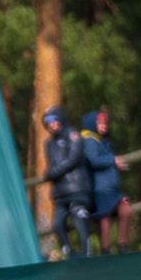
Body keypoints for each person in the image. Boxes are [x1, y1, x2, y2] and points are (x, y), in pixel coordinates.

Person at [42, 106, 93, 259]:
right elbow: (52, 165)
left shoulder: (72, 134)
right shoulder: (49, 143)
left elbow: (73, 158)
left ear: (60, 119)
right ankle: (70, 254)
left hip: (77, 188)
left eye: (54, 120)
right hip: (60, 192)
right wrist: (51, 173)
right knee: (57, 225)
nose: (51, 125)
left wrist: (53, 173)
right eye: (48, 122)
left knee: (79, 218)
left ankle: (87, 255)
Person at [82, 109, 133, 254]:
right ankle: (106, 251)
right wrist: (112, 160)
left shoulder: (103, 141)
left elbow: (106, 158)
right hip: (100, 188)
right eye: (100, 123)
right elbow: (94, 161)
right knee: (104, 218)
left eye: (105, 123)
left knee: (126, 210)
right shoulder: (89, 141)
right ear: (92, 124)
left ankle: (123, 245)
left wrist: (116, 164)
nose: (104, 126)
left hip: (112, 188)